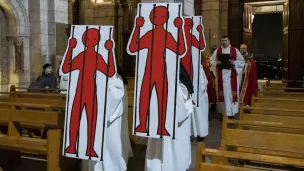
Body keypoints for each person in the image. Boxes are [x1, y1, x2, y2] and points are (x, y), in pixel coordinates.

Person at [128, 6, 186, 136]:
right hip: (149, 69)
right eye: (156, 17)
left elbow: (180, 50)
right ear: (151, 18)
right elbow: (132, 48)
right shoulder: (150, 34)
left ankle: (161, 127)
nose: (159, 20)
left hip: (160, 70)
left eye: (162, 17)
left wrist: (180, 29)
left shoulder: (166, 35)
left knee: (162, 98)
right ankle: (142, 124)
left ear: (166, 19)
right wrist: (137, 28)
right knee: (144, 97)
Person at [62, 28, 115, 157]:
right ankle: (71, 146)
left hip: (91, 91)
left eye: (93, 39)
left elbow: (110, 72)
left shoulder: (98, 57)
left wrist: (110, 52)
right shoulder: (81, 56)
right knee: (75, 118)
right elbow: (65, 68)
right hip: (80, 91)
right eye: (88, 39)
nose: (90, 41)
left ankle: (90, 147)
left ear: (97, 41)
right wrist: (70, 49)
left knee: (92, 120)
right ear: (83, 40)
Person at [145, 64, 194, 171]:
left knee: (173, 156)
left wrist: (168, 86)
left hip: (176, 129)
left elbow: (182, 108)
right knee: (157, 155)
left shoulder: (181, 80)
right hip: (157, 124)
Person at [81, 74, 127, 171]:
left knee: (110, 147)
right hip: (96, 117)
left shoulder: (115, 78)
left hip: (110, 121)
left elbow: (117, 95)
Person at [210, 35, 245, 119]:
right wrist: (216, 63)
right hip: (221, 77)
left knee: (230, 95)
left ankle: (231, 113)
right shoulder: (217, 51)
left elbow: (242, 61)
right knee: (223, 95)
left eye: (225, 40)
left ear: (229, 41)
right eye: (222, 40)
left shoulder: (234, 50)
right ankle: (224, 113)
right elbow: (211, 60)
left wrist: (234, 62)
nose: (224, 42)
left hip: (231, 76)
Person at [191, 64, 209, 142]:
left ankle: (201, 134)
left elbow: (203, 82)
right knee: (194, 116)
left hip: (200, 95)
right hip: (194, 93)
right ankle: (194, 133)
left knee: (200, 115)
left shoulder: (199, 66)